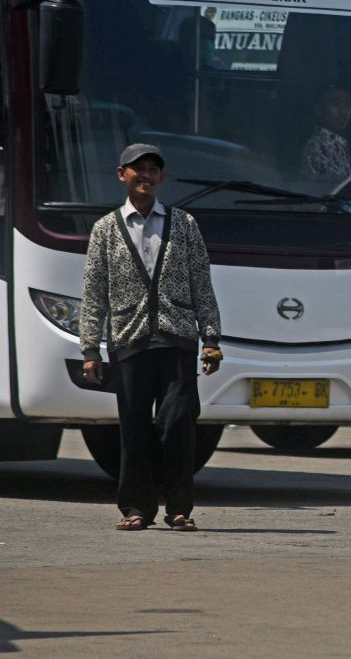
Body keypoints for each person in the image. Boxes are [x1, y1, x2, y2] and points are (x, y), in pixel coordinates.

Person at [79, 144, 223, 532]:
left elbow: (201, 283)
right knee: (134, 427)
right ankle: (137, 509)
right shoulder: (106, 230)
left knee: (177, 423)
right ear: (121, 174)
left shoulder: (184, 224)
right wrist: (90, 348)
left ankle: (179, 508)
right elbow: (94, 291)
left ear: (162, 177)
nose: (146, 175)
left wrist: (210, 337)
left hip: (176, 339)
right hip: (128, 340)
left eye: (153, 169)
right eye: (137, 168)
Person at [301, 85, 351, 179]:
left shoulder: (338, 142)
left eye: (347, 105)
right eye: (336, 104)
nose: (343, 111)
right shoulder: (321, 146)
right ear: (319, 110)